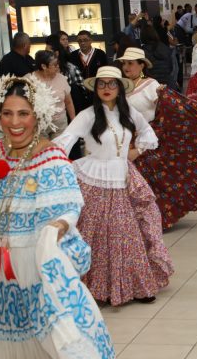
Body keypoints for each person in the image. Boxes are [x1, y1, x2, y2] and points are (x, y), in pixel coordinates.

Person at [0, 75, 133, 359]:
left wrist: (56, 228)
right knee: (10, 344)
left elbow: (70, 203)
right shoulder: (2, 153)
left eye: (24, 114)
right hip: (1, 266)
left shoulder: (51, 157)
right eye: (8, 113)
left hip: (36, 266)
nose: (15, 122)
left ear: (38, 117)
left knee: (46, 338)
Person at [54, 66, 173, 306]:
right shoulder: (87, 115)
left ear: (119, 87)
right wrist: (47, 160)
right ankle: (96, 288)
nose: (106, 89)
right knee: (96, 233)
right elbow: (65, 140)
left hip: (124, 177)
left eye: (112, 84)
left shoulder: (128, 112)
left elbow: (149, 135)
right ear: (95, 88)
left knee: (128, 233)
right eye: (102, 84)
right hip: (94, 177)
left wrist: (136, 151)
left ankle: (137, 285)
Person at [118, 47, 197, 229]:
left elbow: (169, 108)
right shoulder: (120, 87)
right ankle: (134, 218)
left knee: (151, 180)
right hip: (127, 139)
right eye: (124, 63)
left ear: (141, 65)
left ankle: (154, 218)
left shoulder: (150, 85)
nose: (126, 67)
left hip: (149, 137)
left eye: (130, 63)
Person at [33, 50, 75, 133]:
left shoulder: (62, 78)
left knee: (59, 146)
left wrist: (73, 120)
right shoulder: (30, 80)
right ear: (44, 66)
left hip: (60, 124)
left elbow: (69, 102)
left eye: (58, 64)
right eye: (55, 65)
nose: (58, 67)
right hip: (38, 126)